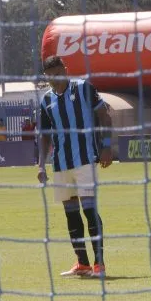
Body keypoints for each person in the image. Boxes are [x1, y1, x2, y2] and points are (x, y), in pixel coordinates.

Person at [36, 56, 113, 277]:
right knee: (71, 214)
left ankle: (100, 264)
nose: (54, 79)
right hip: (60, 165)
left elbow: (104, 116)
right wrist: (42, 165)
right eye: (50, 76)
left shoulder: (83, 88)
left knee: (89, 210)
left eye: (58, 73)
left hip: (85, 161)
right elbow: (45, 136)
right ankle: (83, 263)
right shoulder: (46, 100)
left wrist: (106, 146)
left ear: (65, 70)